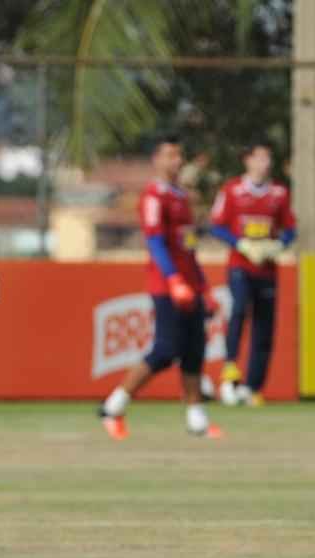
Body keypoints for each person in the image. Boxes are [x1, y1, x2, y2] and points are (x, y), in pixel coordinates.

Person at [98, 135, 222, 440]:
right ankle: (114, 405)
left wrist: (203, 287)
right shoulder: (154, 196)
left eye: (178, 155)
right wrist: (173, 279)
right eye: (169, 155)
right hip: (167, 286)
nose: (176, 161)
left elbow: (188, 248)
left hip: (190, 285)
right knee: (165, 350)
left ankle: (197, 420)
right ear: (156, 159)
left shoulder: (182, 197)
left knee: (195, 350)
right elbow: (154, 241)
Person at [209, 142, 296, 406]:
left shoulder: (280, 193)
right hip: (241, 266)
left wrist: (279, 245)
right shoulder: (232, 190)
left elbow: (290, 228)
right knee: (237, 311)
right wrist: (241, 244)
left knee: (264, 326)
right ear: (247, 160)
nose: (264, 164)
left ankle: (252, 387)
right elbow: (217, 226)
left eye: (267, 158)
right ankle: (230, 375)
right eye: (259, 158)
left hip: (267, 269)